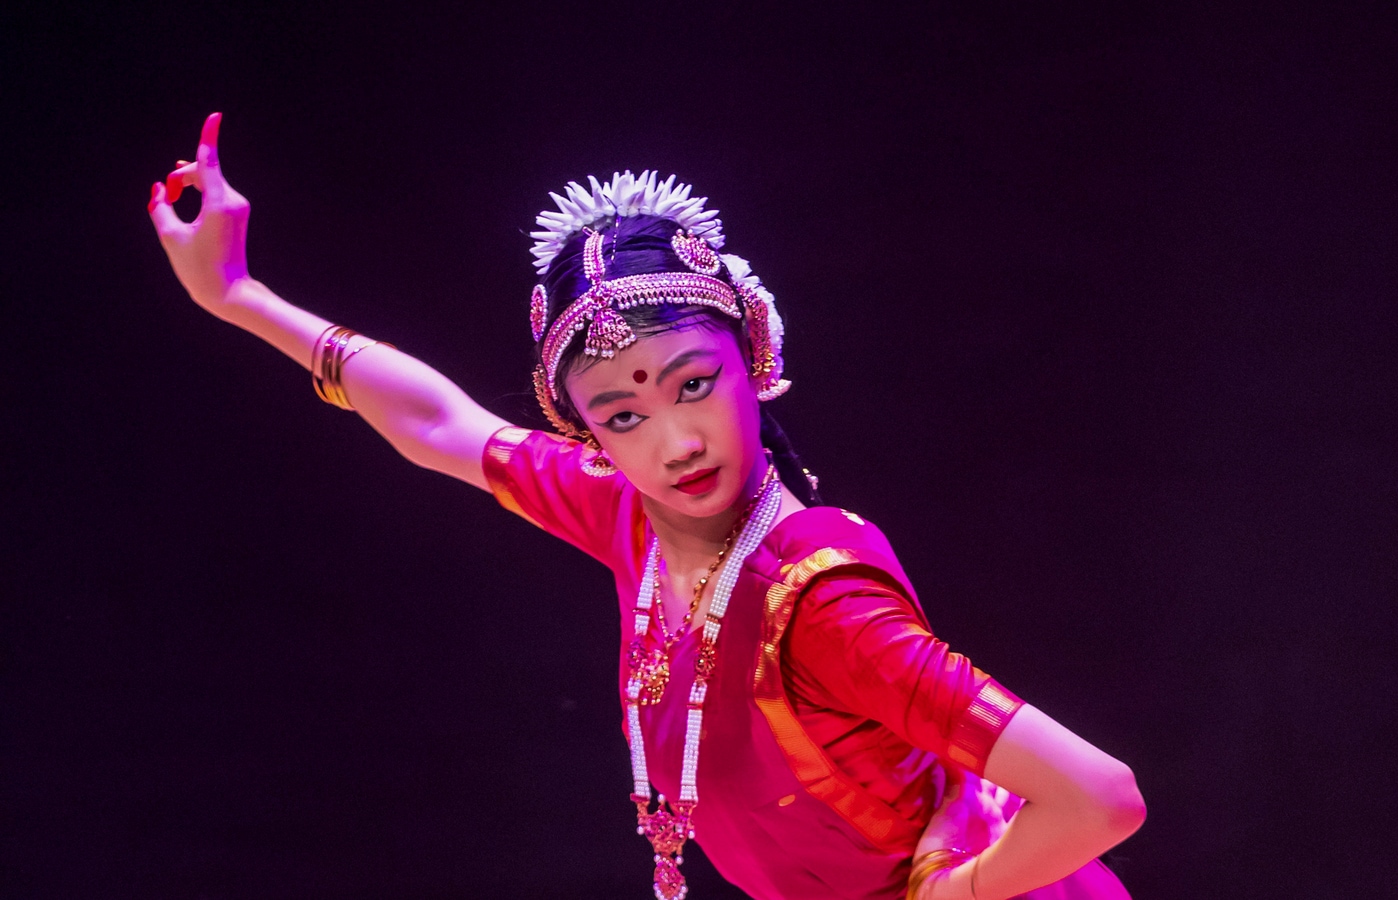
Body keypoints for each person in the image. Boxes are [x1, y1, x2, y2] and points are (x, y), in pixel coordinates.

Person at [147, 113, 1146, 900]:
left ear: (753, 361)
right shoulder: (626, 510)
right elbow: (439, 425)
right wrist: (236, 296)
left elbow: (1098, 797)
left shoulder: (818, 602)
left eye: (693, 385)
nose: (671, 444)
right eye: (621, 415)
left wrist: (955, 894)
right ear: (590, 434)